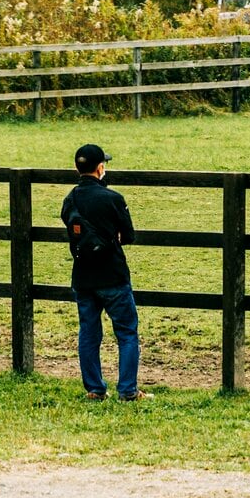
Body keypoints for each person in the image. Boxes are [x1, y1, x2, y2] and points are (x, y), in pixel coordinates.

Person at [62, 143, 151, 402]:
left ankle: (94, 388)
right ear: (100, 168)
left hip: (83, 276)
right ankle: (128, 390)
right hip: (112, 274)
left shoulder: (70, 199)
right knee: (126, 332)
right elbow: (129, 236)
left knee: (89, 332)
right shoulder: (113, 199)